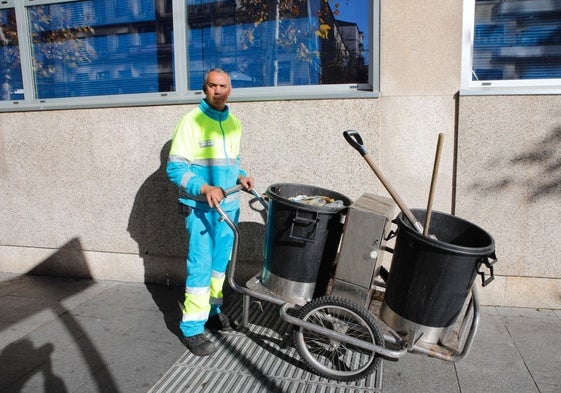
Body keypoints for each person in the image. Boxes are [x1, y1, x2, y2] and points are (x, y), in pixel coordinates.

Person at [167, 68, 254, 356]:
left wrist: (241, 176)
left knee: (220, 267)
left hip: (229, 207)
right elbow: (175, 168)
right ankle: (192, 328)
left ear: (230, 90)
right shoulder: (190, 122)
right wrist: (204, 188)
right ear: (204, 89)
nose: (218, 91)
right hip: (202, 209)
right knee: (201, 267)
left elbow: (233, 160)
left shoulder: (235, 124)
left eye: (224, 86)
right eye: (213, 86)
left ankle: (213, 312)